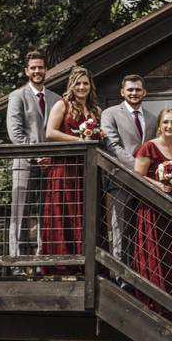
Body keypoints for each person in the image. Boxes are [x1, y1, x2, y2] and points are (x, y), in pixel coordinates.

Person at [42, 66, 101, 266]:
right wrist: (80, 140)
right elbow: (50, 132)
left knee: (86, 213)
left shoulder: (95, 110)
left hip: (87, 170)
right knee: (64, 212)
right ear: (72, 85)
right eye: (78, 83)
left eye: (85, 83)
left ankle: (88, 264)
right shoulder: (62, 105)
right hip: (65, 168)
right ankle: (62, 264)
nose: (82, 87)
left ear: (91, 86)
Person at [5, 51, 59, 270]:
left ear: (46, 70)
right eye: (33, 68)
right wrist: (37, 156)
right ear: (26, 71)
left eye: (41, 67)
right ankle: (16, 262)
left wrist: (50, 157)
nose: (37, 71)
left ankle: (40, 261)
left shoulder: (56, 98)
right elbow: (15, 133)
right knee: (20, 211)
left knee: (45, 212)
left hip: (50, 165)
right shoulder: (17, 96)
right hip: (25, 164)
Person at [132, 109, 172, 297]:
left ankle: (171, 296)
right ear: (159, 126)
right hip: (153, 208)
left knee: (170, 254)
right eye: (165, 122)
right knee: (154, 251)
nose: (169, 126)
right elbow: (137, 176)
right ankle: (152, 295)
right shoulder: (149, 147)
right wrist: (158, 184)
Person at [101, 74, 154, 262]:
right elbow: (113, 146)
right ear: (122, 92)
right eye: (130, 89)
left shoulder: (152, 118)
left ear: (144, 92)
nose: (134, 93)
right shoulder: (110, 113)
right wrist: (139, 168)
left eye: (138, 89)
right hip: (121, 180)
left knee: (143, 231)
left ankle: (139, 273)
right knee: (120, 229)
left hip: (148, 185)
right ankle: (119, 275)